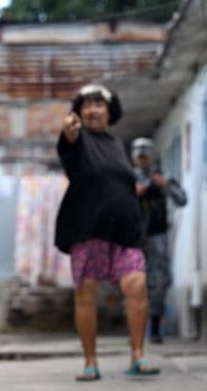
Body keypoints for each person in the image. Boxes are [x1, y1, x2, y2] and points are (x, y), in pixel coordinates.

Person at [54, 84, 160, 381]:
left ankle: (138, 357)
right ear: (78, 113)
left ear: (110, 111)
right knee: (86, 294)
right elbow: (69, 141)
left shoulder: (116, 145)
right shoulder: (77, 139)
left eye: (99, 104)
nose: (92, 110)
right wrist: (70, 130)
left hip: (125, 231)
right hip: (88, 230)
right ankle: (90, 362)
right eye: (86, 105)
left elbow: (119, 182)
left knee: (137, 285)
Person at [131, 137, 187, 345]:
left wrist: (166, 185)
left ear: (152, 155)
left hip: (158, 236)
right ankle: (135, 328)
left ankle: (154, 329)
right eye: (139, 155)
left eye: (146, 154)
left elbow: (182, 199)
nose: (143, 158)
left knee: (158, 282)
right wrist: (133, 191)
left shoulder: (162, 177)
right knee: (134, 283)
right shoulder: (128, 179)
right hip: (134, 238)